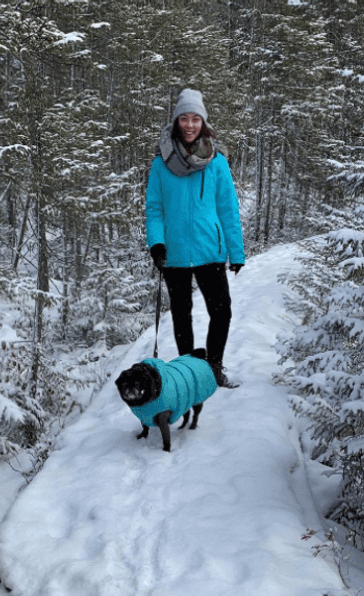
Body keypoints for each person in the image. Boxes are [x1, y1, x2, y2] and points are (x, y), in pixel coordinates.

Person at [145, 88, 245, 389]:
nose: (190, 125)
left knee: (222, 310)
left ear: (203, 122)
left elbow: (228, 209)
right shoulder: (161, 163)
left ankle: (213, 366)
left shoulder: (217, 162)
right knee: (181, 314)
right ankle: (189, 372)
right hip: (173, 251)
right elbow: (155, 209)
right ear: (176, 122)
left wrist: (236, 251)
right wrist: (157, 243)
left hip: (209, 250)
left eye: (195, 119)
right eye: (184, 118)